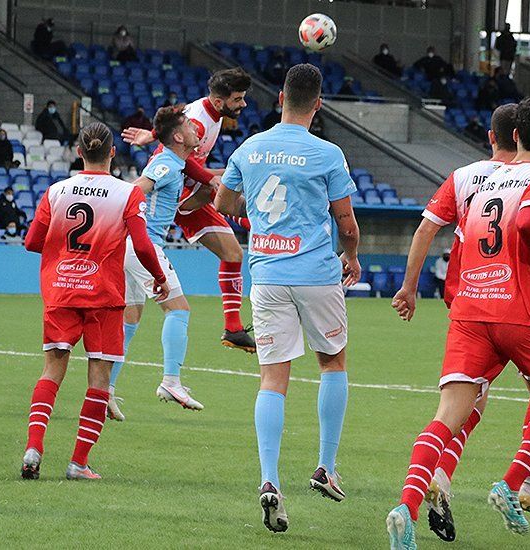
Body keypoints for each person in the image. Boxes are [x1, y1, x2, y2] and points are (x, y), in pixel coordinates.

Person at [390, 103, 530, 542]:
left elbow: (427, 229)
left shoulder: (468, 177)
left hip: (468, 306)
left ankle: (408, 505)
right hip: (516, 309)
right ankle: (516, 481)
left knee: (453, 413)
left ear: (497, 136)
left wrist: (409, 287)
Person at [214, 63, 360, 533]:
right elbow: (347, 224)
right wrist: (352, 257)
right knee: (332, 363)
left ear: (280, 98)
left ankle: (269, 478)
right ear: (318, 104)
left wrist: (248, 211)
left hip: (268, 275)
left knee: (273, 379)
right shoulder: (328, 153)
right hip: (317, 274)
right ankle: (325, 467)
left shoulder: (250, 148)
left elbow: (222, 205)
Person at [19, 122, 168, 481]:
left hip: (61, 291)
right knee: (99, 377)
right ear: (113, 153)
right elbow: (143, 245)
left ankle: (33, 447)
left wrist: (62, 252)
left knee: (52, 370)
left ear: (79, 152)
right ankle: (78, 463)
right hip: (102, 294)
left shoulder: (56, 191)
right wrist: (159, 279)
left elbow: (31, 242)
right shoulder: (127, 194)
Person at [120, 67, 257, 359]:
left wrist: (153, 134)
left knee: (233, 254)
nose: (243, 104)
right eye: (238, 99)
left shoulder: (204, 111)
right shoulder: (199, 121)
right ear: (220, 102)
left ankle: (232, 328)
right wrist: (209, 179)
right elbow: (178, 159)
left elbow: (175, 119)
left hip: (188, 189)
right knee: (227, 182)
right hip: (181, 193)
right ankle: (254, 222)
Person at [109, 105, 205, 421]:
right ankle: (171, 381)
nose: (195, 129)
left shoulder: (176, 163)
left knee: (129, 322)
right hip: (143, 245)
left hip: (129, 247)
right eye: (190, 125)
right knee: (178, 309)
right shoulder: (165, 164)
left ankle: (104, 391)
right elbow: (136, 190)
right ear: (178, 136)